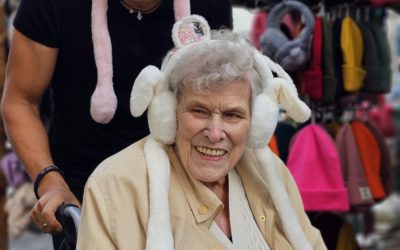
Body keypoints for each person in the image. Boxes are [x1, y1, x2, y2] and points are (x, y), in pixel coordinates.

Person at [77, 15, 326, 249]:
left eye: (232, 115)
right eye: (199, 111)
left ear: (256, 121)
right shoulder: (113, 187)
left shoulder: (270, 172)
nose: (215, 133)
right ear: (170, 112)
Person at [0, 0, 232, 247]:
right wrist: (50, 182)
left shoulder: (209, 4)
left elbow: (222, 92)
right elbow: (20, 102)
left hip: (182, 175)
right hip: (83, 184)